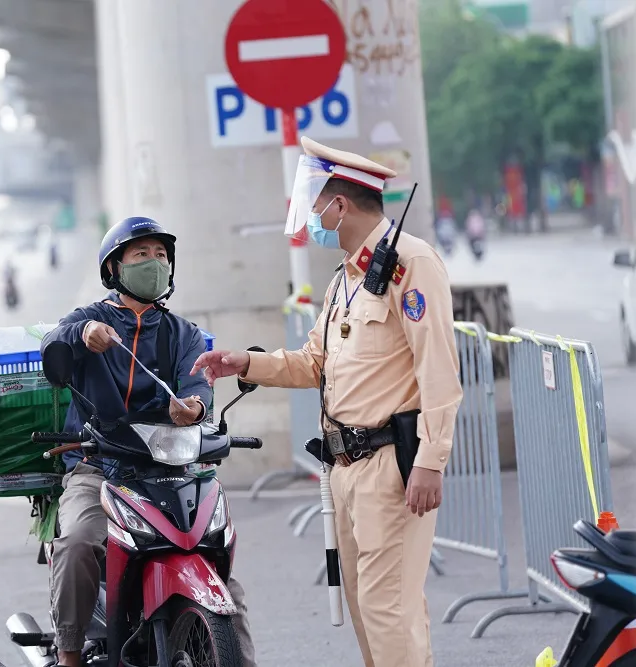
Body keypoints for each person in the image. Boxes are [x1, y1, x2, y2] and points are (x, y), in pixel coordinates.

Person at [192, 139, 463, 667]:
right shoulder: (346, 279)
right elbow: (313, 361)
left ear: (339, 205)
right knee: (369, 609)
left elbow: (439, 371)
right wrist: (247, 363)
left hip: (391, 465)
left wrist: (432, 459)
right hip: (344, 467)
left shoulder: (411, 265)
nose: (311, 216)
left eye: (316, 204)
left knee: (389, 608)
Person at [41, 217, 256, 667]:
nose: (154, 263)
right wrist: (80, 336)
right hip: (99, 466)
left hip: (168, 469)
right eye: (141, 255)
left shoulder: (182, 333)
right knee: (79, 541)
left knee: (220, 568)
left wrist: (193, 410)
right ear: (114, 269)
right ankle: (69, 652)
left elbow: (197, 386)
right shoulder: (92, 319)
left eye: (161, 255)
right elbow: (53, 342)